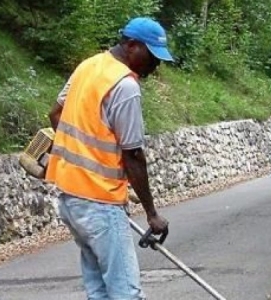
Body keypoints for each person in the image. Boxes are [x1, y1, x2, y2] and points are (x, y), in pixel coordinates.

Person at [45, 17, 173, 299]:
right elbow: (133, 155)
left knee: (98, 291)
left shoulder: (88, 66)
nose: (156, 65)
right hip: (101, 203)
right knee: (125, 292)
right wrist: (152, 214)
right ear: (131, 45)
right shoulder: (124, 86)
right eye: (152, 56)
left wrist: (75, 156)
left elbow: (56, 114)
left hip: (71, 199)